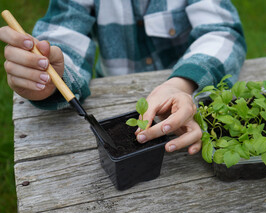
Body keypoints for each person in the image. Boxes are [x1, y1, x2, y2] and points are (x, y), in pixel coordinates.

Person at [0, 0, 246, 155]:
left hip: (186, 92)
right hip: (113, 93)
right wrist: (50, 79)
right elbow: (62, 37)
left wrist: (181, 84)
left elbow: (223, 33)